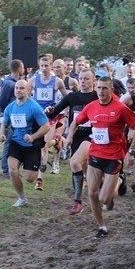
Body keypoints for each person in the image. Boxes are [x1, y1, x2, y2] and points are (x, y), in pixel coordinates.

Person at [66, 76, 135, 239]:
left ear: (111, 90)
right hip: (95, 154)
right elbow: (75, 122)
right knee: (92, 194)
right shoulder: (91, 107)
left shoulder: (120, 108)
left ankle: (119, 181)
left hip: (114, 156)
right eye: (99, 88)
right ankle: (102, 227)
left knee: (105, 199)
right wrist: (69, 136)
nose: (101, 91)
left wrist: (131, 151)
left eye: (104, 88)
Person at [46, 68, 98, 215]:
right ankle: (94, 195)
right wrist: (48, 111)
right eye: (81, 78)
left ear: (93, 81)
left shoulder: (97, 96)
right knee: (86, 170)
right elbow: (54, 112)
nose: (83, 81)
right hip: (76, 136)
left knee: (75, 162)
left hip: (94, 135)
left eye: (87, 78)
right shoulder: (72, 97)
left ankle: (77, 201)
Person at [0, 79, 50, 207]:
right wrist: (2, 134)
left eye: (22, 88)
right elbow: (4, 123)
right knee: (12, 171)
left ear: (28, 90)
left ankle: (36, 165)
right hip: (16, 143)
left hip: (31, 145)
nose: (18, 90)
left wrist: (33, 137)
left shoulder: (34, 107)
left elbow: (46, 126)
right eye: (17, 88)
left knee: (29, 178)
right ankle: (22, 198)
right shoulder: (10, 108)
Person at [28, 56, 67, 190]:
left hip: (50, 118)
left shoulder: (57, 81)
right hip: (36, 117)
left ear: (51, 66)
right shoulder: (33, 81)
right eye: (42, 66)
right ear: (39, 66)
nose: (44, 68)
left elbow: (66, 98)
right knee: (37, 146)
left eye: (47, 66)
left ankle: (40, 179)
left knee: (44, 146)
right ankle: (57, 142)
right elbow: (25, 97)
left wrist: (56, 109)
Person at [0, 59, 24, 179]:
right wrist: (7, 115)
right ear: (19, 68)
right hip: (11, 118)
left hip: (20, 119)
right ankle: (5, 169)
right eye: (22, 67)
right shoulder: (9, 84)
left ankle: (15, 167)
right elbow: (2, 102)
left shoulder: (18, 83)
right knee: (8, 144)